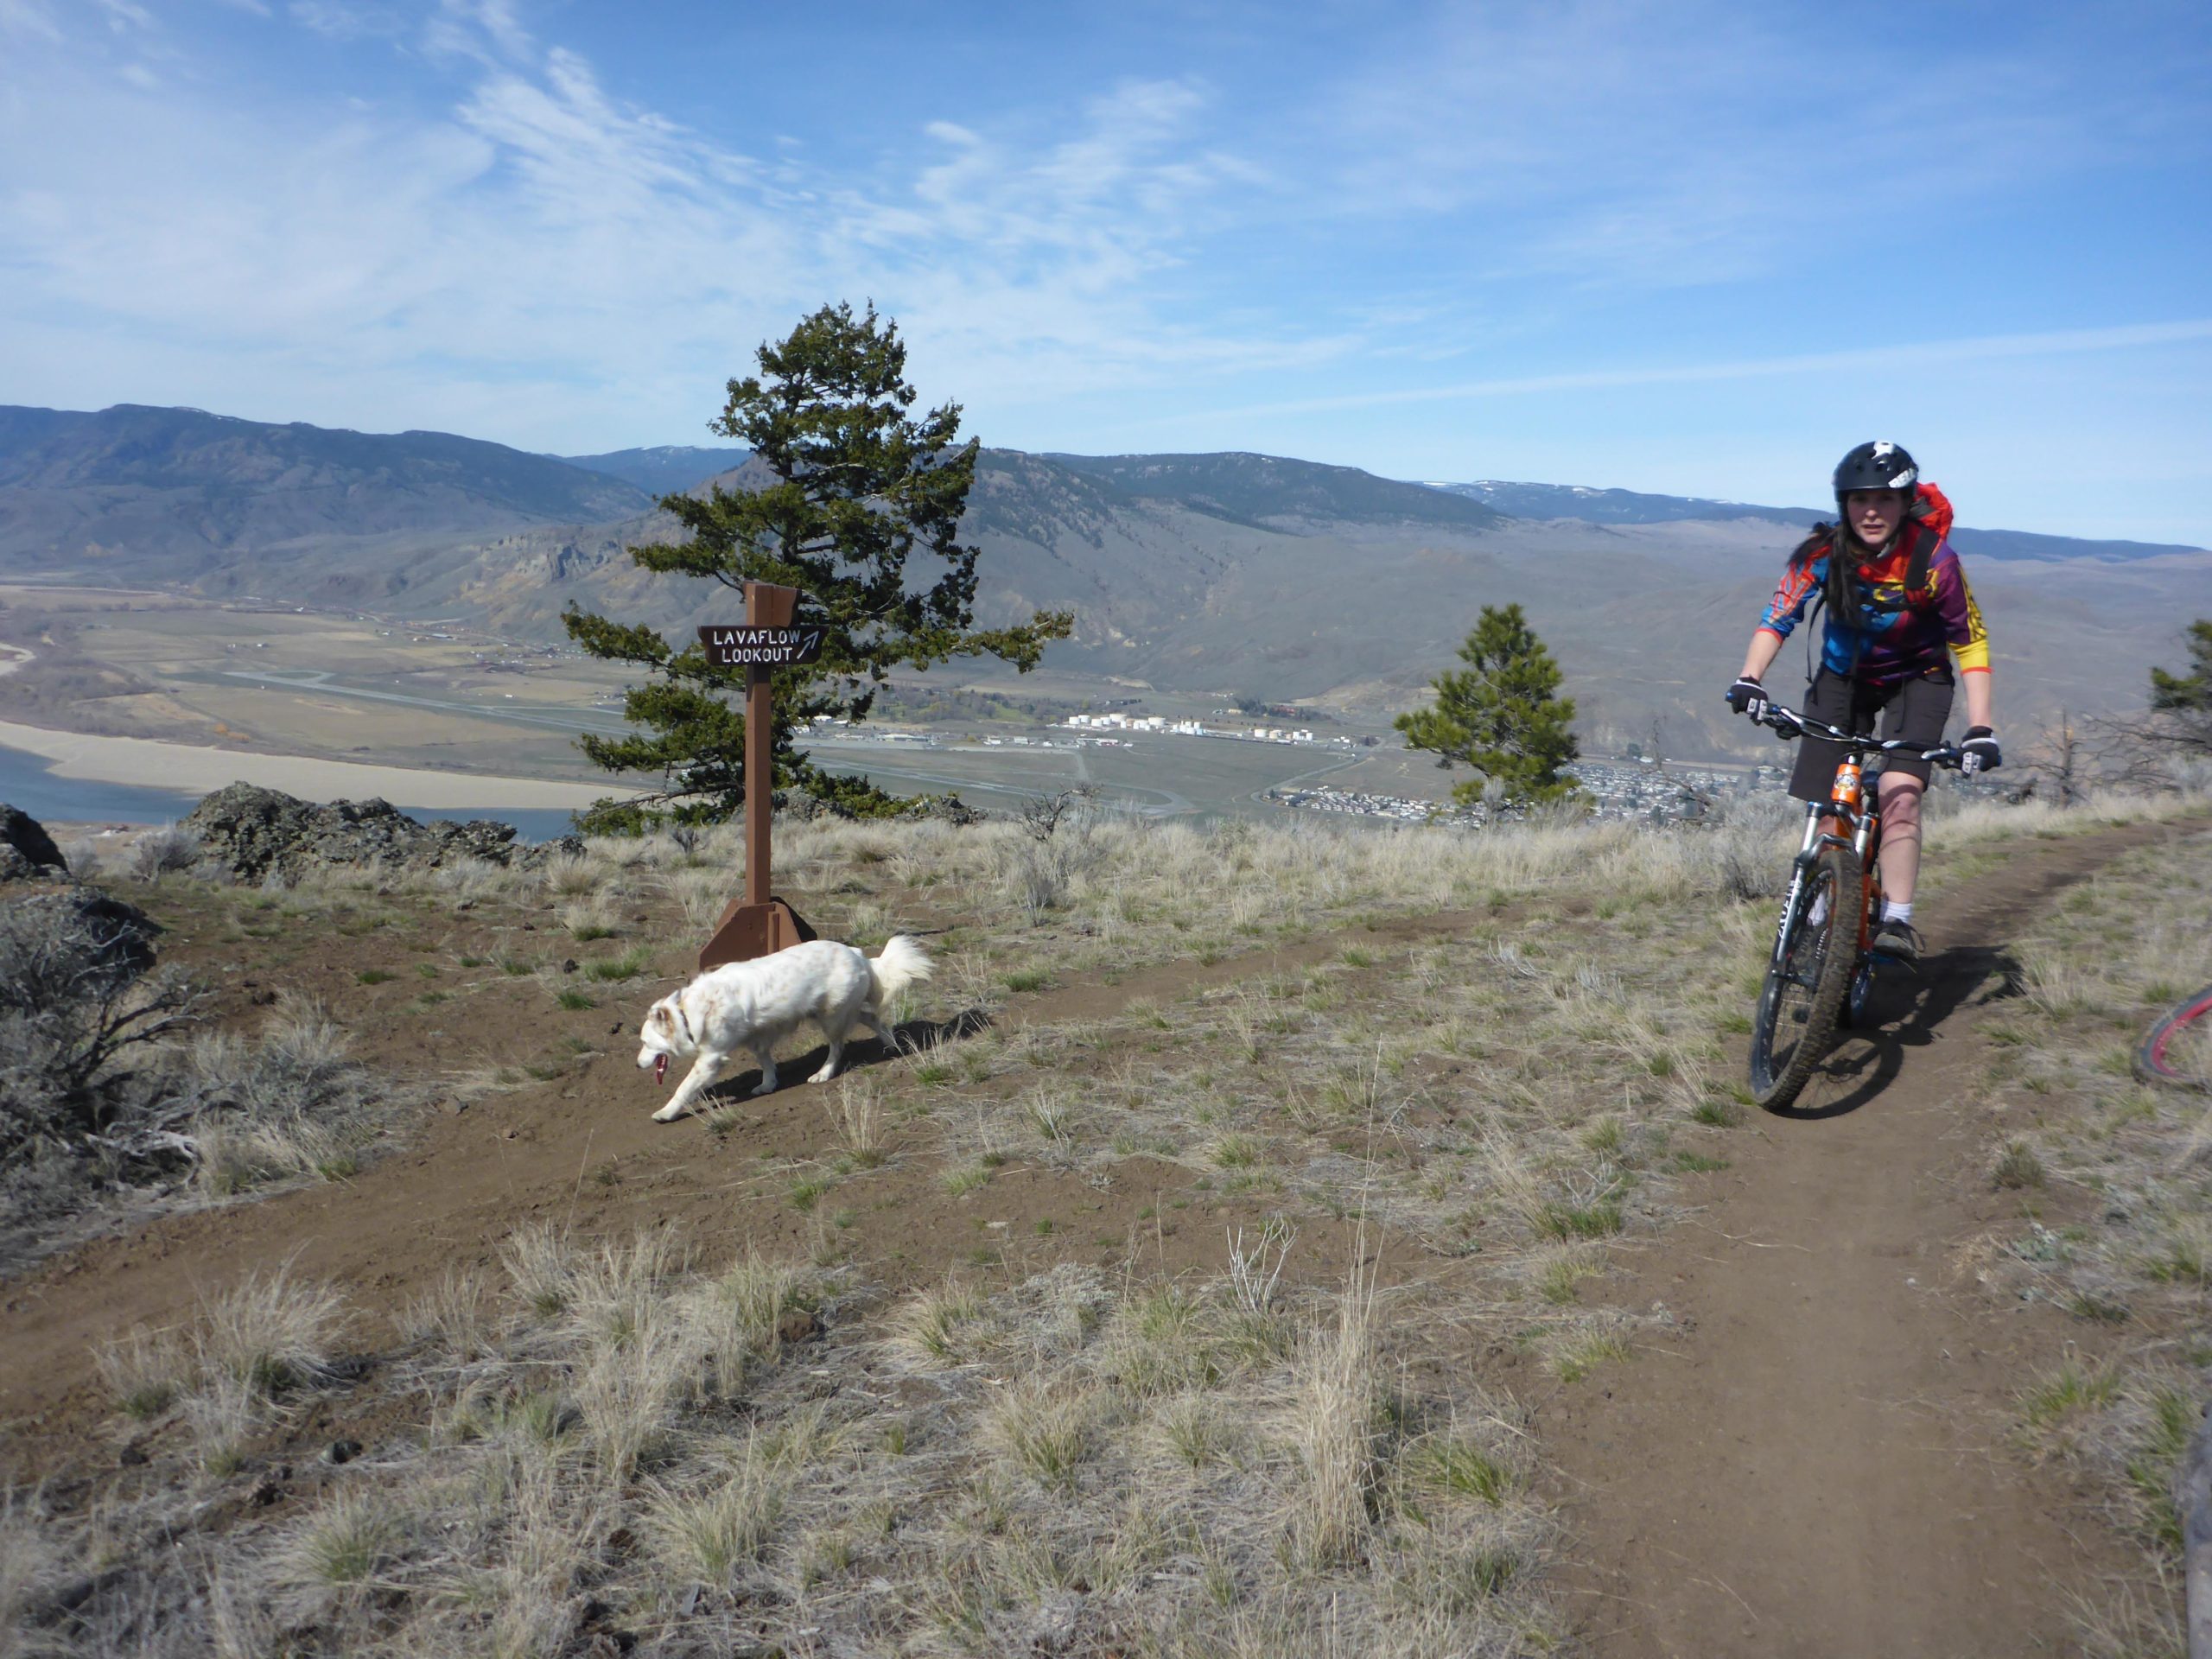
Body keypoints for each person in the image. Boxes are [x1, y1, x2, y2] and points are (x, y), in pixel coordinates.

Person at [1725, 441, 2000, 961]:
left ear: (1905, 503)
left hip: (1917, 679)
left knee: (1902, 794)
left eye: (1885, 500)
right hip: (1843, 678)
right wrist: (1750, 678)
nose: (1870, 512)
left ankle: (1896, 920)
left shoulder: (1934, 560)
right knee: (1828, 800)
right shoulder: (1823, 554)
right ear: (1843, 505)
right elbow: (1778, 617)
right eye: (1858, 500)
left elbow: (1970, 642)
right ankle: (1823, 908)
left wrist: (1980, 727)